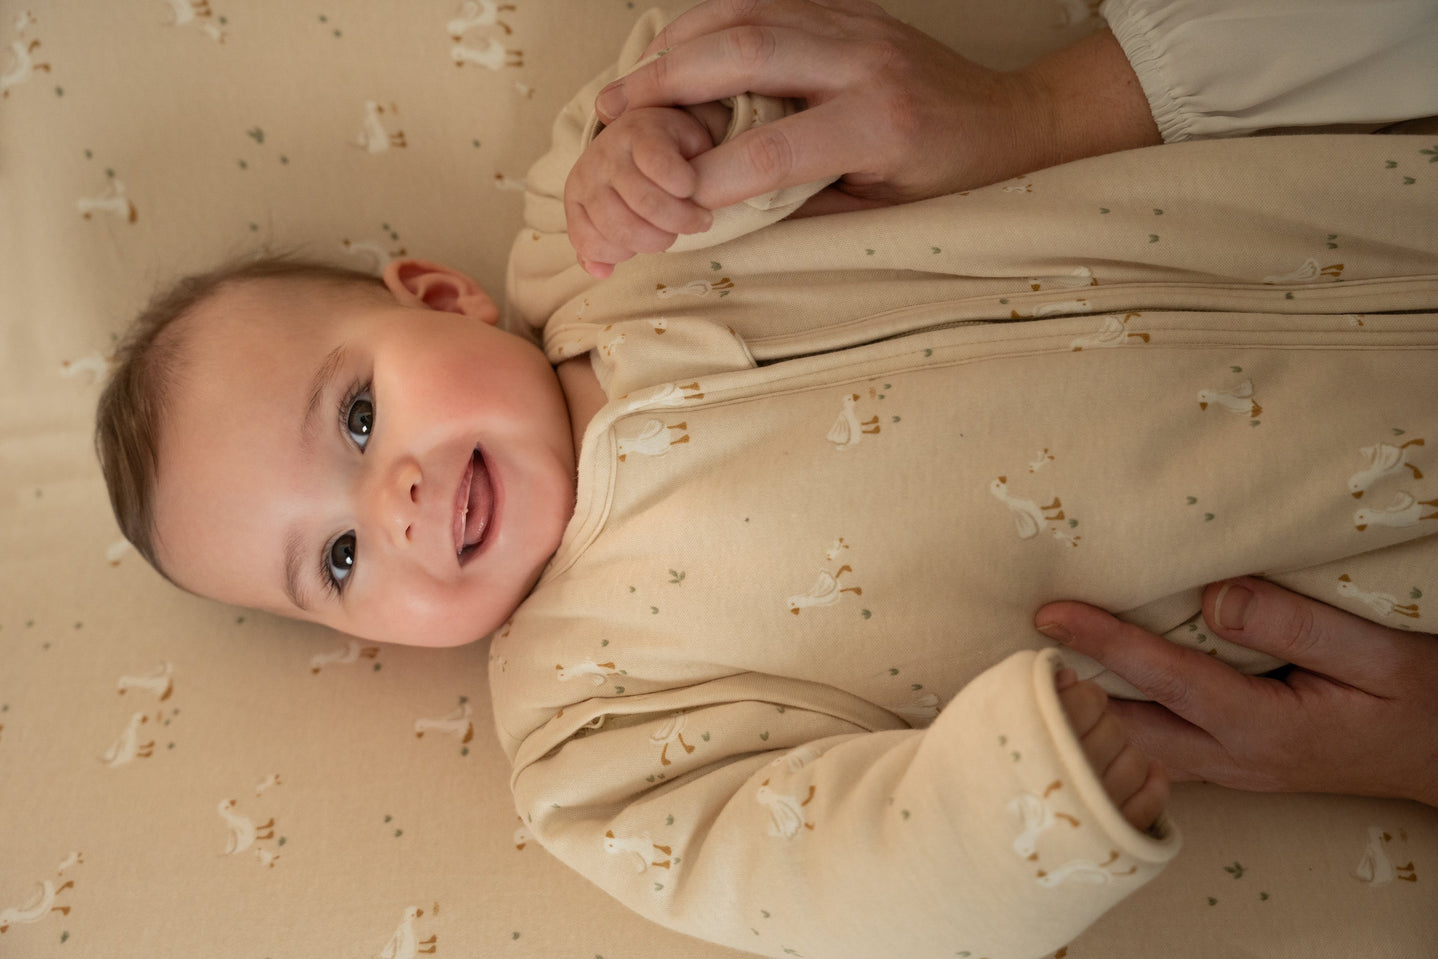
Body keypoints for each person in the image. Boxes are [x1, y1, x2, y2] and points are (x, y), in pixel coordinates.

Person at [93, 2, 1438, 958]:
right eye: (334, 564)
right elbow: (820, 882)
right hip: (1373, 540)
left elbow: (711, 60)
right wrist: (1016, 805)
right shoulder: (592, 736)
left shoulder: (596, 233)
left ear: (441, 296)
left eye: (359, 415)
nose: (383, 503)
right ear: (367, 641)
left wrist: (673, 148)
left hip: (1366, 190)